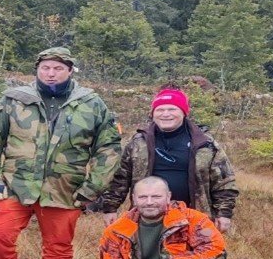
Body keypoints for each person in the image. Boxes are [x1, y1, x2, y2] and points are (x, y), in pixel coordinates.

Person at [0, 46, 121, 259]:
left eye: (58, 68)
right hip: (15, 185)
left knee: (58, 246)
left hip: (64, 190)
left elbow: (108, 148)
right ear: (37, 70)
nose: (51, 73)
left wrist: (92, 188)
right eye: (45, 68)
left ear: (70, 71)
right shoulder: (14, 100)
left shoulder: (91, 104)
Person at [99, 87, 238, 233]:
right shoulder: (138, 142)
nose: (165, 114)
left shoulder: (205, 143)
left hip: (194, 218)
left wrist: (224, 213)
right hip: (147, 217)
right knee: (146, 248)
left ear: (184, 112)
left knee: (196, 248)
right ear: (153, 114)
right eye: (160, 110)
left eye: (172, 109)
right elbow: (120, 178)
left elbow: (224, 181)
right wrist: (110, 208)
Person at [98, 176, 227, 259]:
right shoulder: (117, 230)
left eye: (156, 197)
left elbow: (216, 250)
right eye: (143, 197)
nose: (149, 202)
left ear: (168, 197)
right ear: (134, 199)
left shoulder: (192, 219)